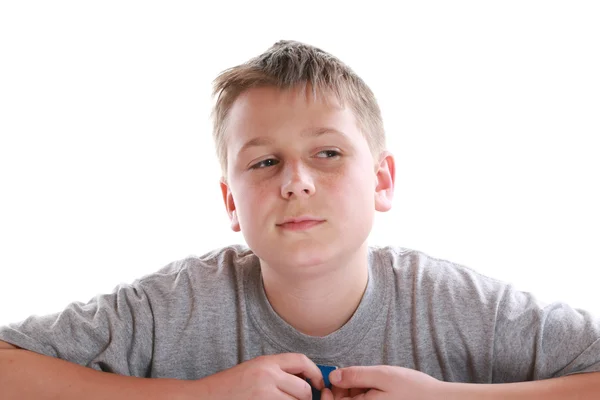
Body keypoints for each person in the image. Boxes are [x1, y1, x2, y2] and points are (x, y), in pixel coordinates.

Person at [1, 40, 600, 400]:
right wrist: (199, 395)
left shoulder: (457, 307)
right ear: (231, 203)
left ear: (382, 181)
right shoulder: (170, 310)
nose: (296, 181)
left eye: (328, 153)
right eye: (264, 161)